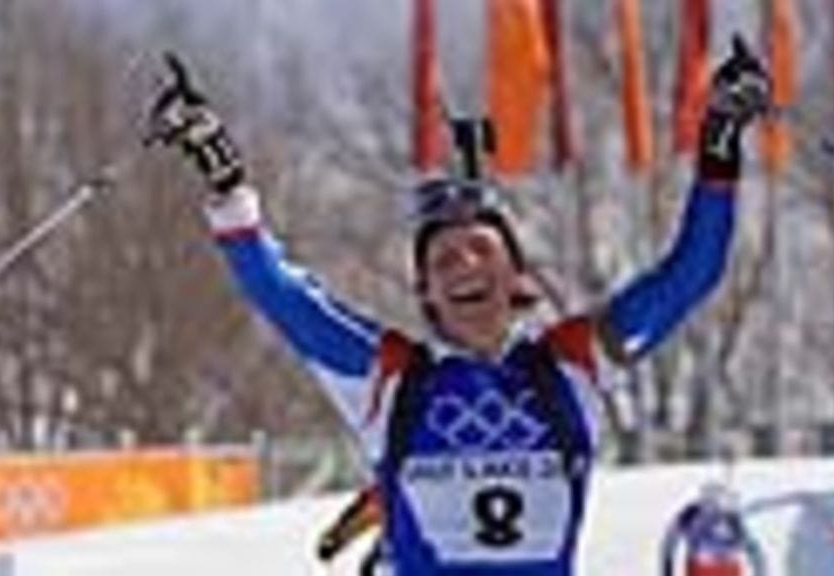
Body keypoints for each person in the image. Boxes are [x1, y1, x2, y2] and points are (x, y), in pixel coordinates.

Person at [147, 34, 770, 576]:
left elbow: (692, 273)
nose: (465, 267)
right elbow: (281, 294)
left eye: (480, 251)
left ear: (518, 275)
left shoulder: (570, 365)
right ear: (426, 295)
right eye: (443, 261)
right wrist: (224, 176)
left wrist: (719, 141)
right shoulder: (392, 379)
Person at [661, 482, 767, 576]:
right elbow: (753, 549)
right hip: (706, 566)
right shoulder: (691, 513)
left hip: (721, 566)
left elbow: (753, 548)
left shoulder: (730, 516)